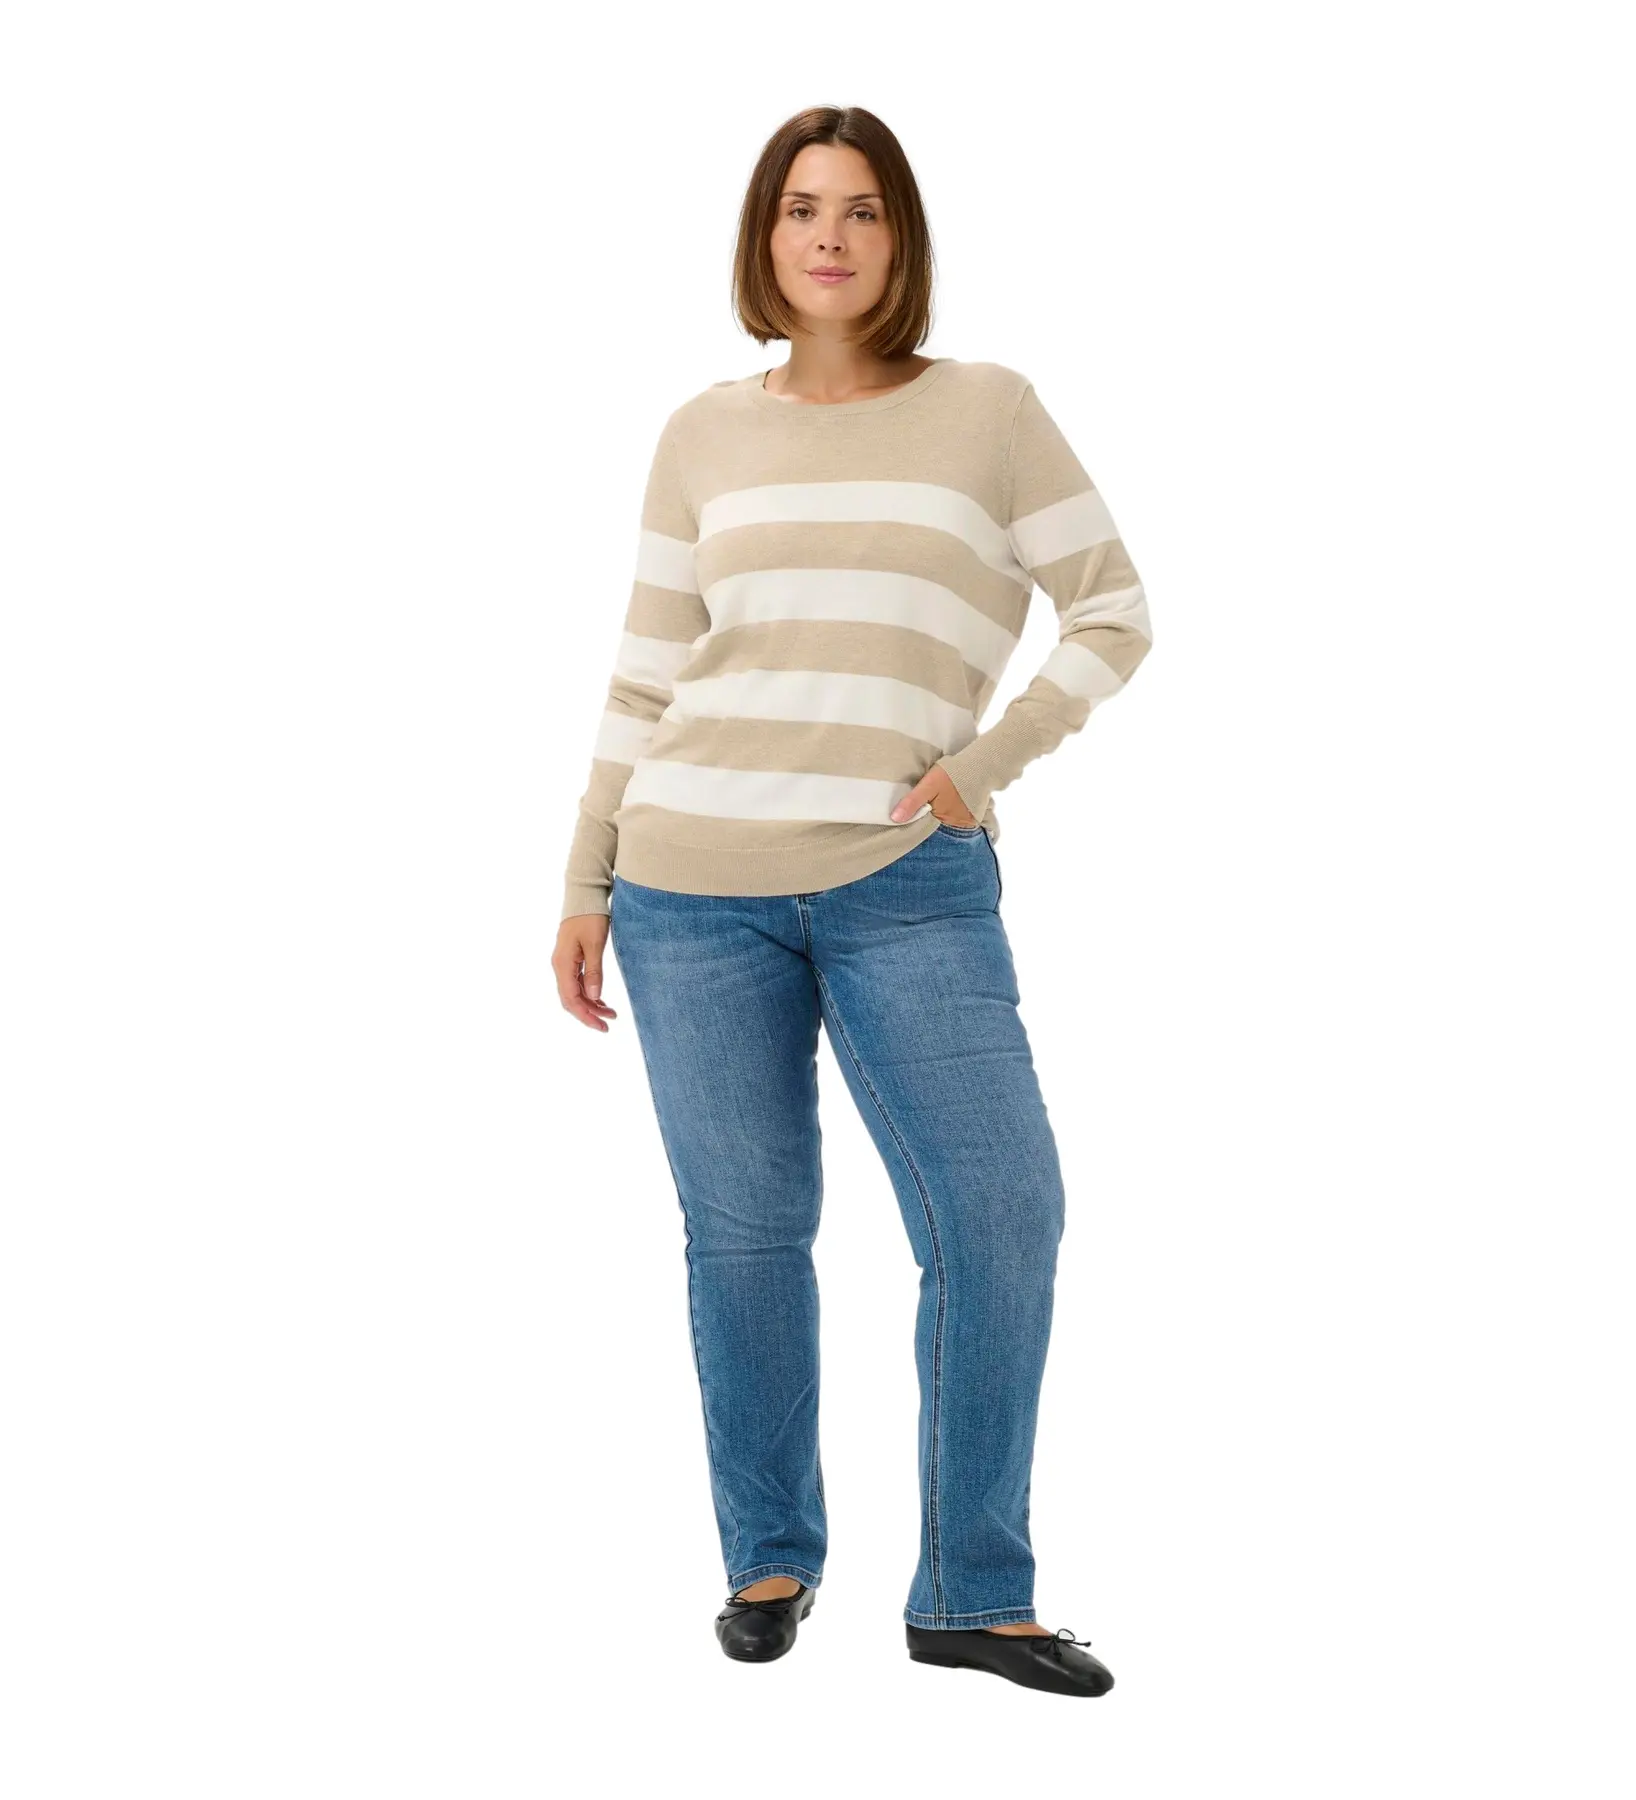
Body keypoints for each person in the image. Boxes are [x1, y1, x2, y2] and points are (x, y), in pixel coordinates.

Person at [550, 105, 1151, 1699]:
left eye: (864, 210)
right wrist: (585, 872)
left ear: (902, 240)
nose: (830, 235)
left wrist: (984, 764)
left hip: (908, 879)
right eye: (802, 207)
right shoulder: (701, 433)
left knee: (1002, 1212)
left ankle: (972, 1593)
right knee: (746, 1234)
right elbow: (647, 671)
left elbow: (1114, 608)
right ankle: (768, 1556)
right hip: (689, 885)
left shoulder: (989, 412)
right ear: (766, 237)